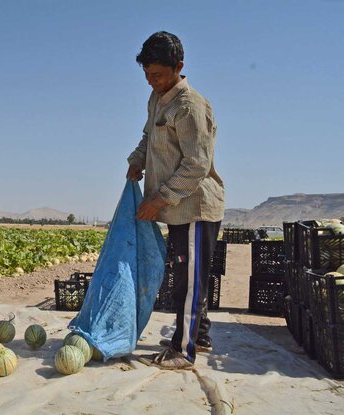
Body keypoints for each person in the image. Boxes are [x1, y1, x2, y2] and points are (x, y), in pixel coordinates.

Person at [127, 32, 224, 369]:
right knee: (188, 275)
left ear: (178, 67)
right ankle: (203, 334)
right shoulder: (158, 99)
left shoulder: (190, 106)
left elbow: (196, 164)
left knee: (189, 280)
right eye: (147, 75)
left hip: (195, 206)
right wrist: (137, 160)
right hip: (176, 208)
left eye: (157, 75)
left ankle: (184, 350)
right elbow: (148, 135)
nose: (151, 82)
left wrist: (161, 198)